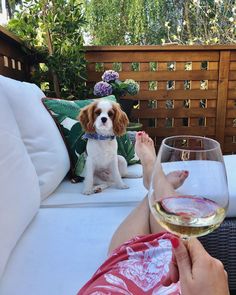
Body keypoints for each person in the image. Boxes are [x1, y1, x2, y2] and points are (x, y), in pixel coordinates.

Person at [77, 132, 230, 295]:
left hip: (121, 277)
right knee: (167, 239)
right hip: (181, 278)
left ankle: (153, 177)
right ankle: (154, 177)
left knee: (128, 252)